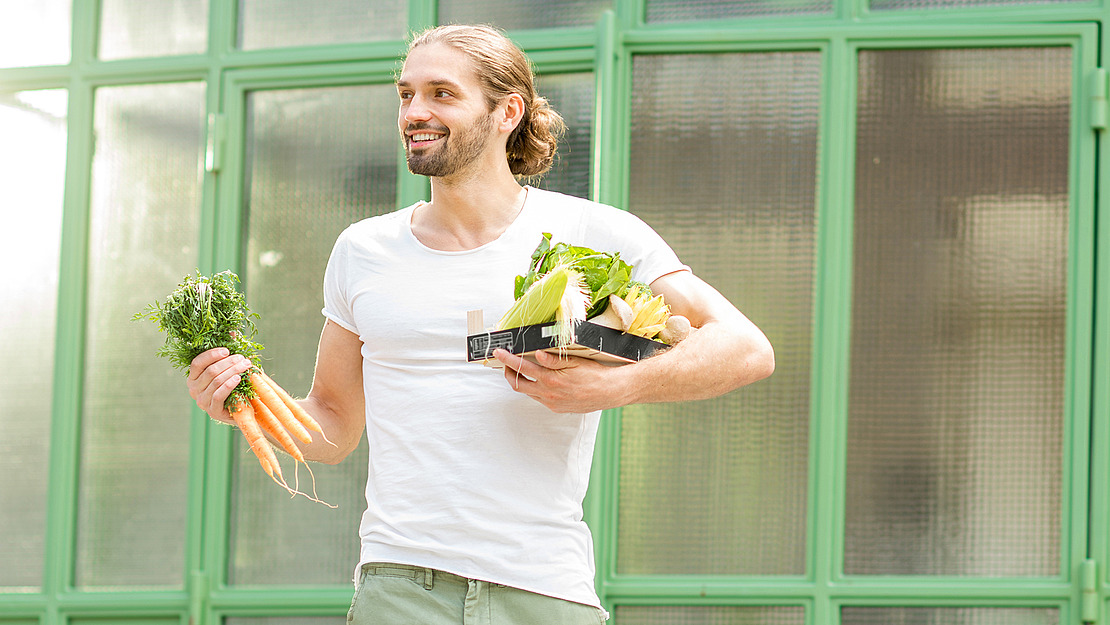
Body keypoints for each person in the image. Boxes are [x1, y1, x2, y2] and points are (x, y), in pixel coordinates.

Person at [187, 24, 774, 625]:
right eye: (406, 94)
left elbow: (746, 348)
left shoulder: (595, 232)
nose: (415, 111)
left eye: (442, 93)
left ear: (507, 113)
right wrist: (243, 401)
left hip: (544, 589)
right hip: (401, 587)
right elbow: (334, 427)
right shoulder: (363, 250)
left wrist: (616, 386)